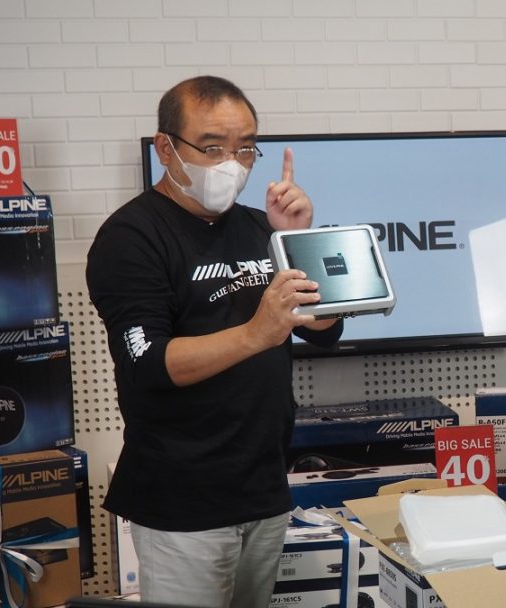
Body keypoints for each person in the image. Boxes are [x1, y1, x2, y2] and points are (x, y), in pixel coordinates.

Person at [86, 76, 342, 608]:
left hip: (264, 488)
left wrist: (296, 240)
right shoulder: (130, 238)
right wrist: (254, 334)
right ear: (165, 148)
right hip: (183, 503)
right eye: (212, 147)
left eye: (245, 147)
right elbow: (148, 363)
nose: (232, 163)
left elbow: (324, 328)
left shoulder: (261, 226)